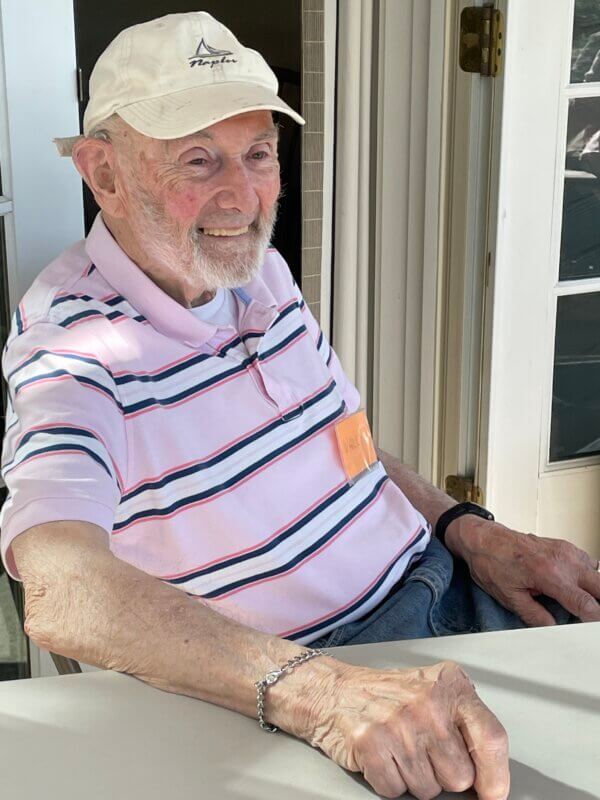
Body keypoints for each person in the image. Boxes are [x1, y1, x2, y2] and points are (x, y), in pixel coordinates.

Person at [1, 12, 599, 800]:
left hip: (443, 582)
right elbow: (57, 587)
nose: (242, 196)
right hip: (315, 679)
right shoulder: (74, 348)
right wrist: (322, 695)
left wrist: (470, 530)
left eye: (258, 154)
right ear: (104, 173)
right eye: (197, 160)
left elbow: (342, 447)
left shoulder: (257, 275)